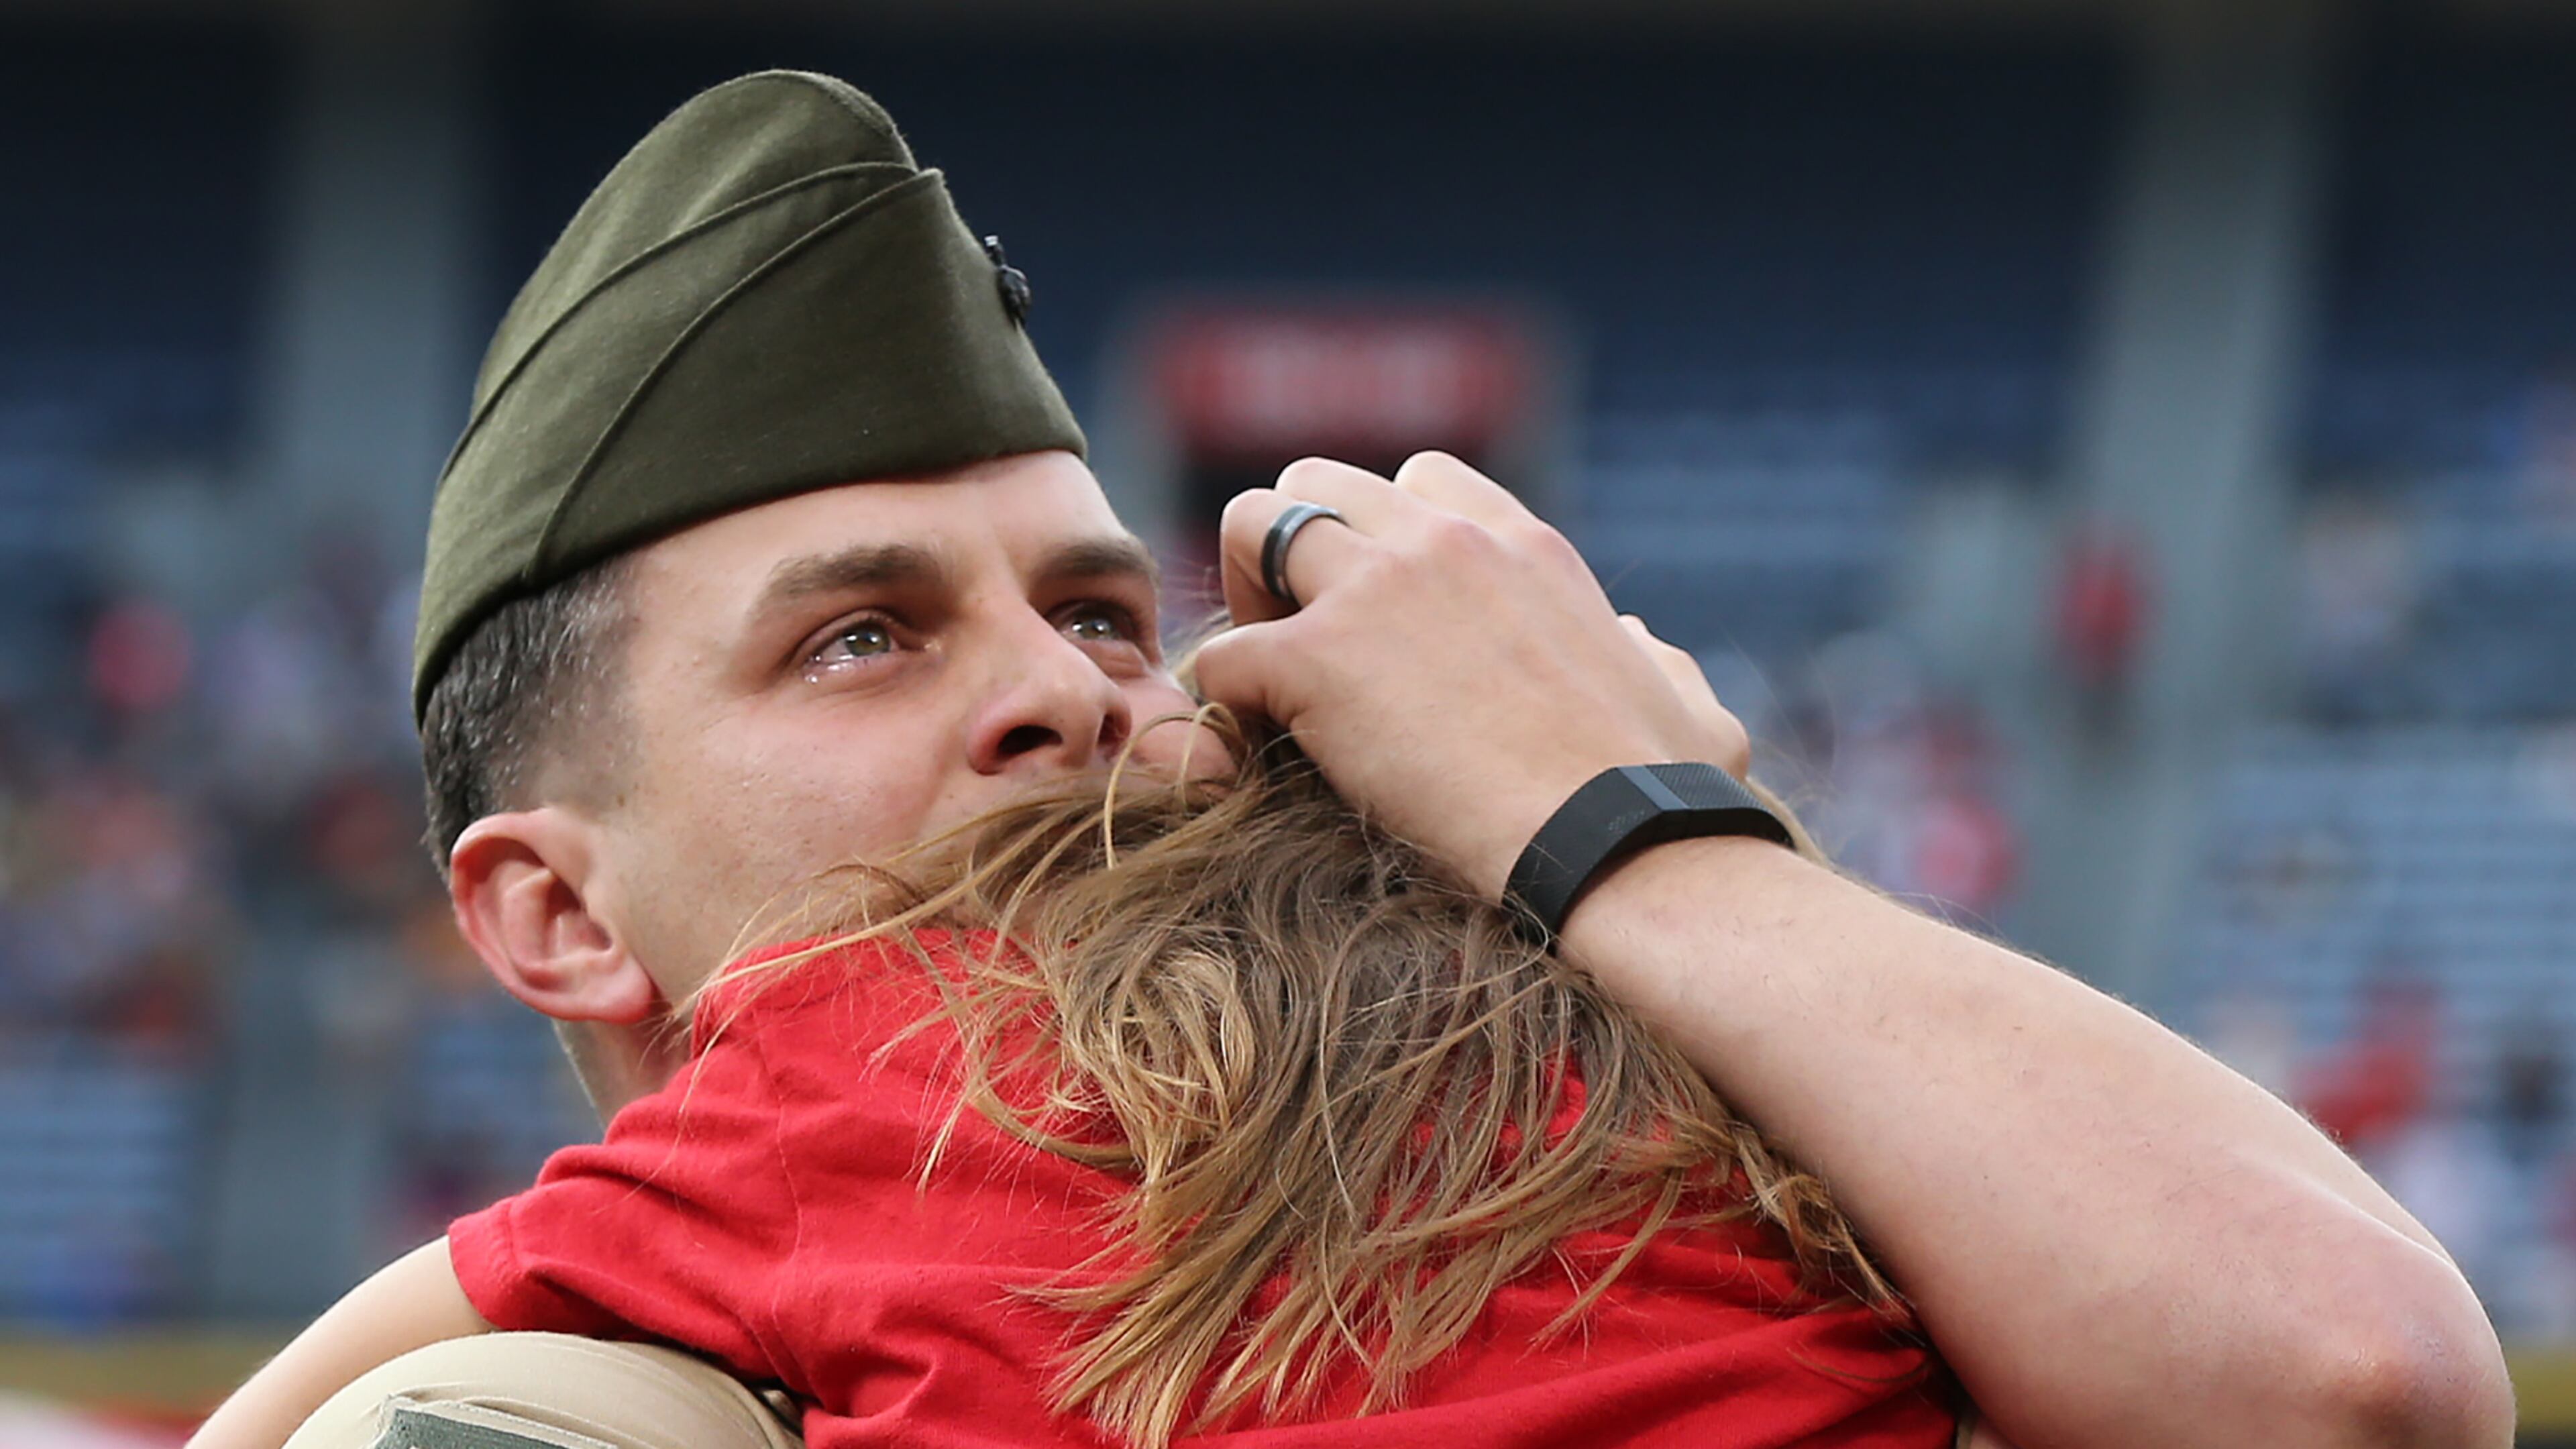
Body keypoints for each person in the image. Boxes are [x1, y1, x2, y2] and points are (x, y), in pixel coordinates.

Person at [193, 71, 2510, 1449]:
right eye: (863, 639)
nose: (1075, 694)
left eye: (1107, 612)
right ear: (554, 912)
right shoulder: (815, 1100)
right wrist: (1653, 829)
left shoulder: (1603, 1005)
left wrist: (1621, 832)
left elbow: (2341, 1371)